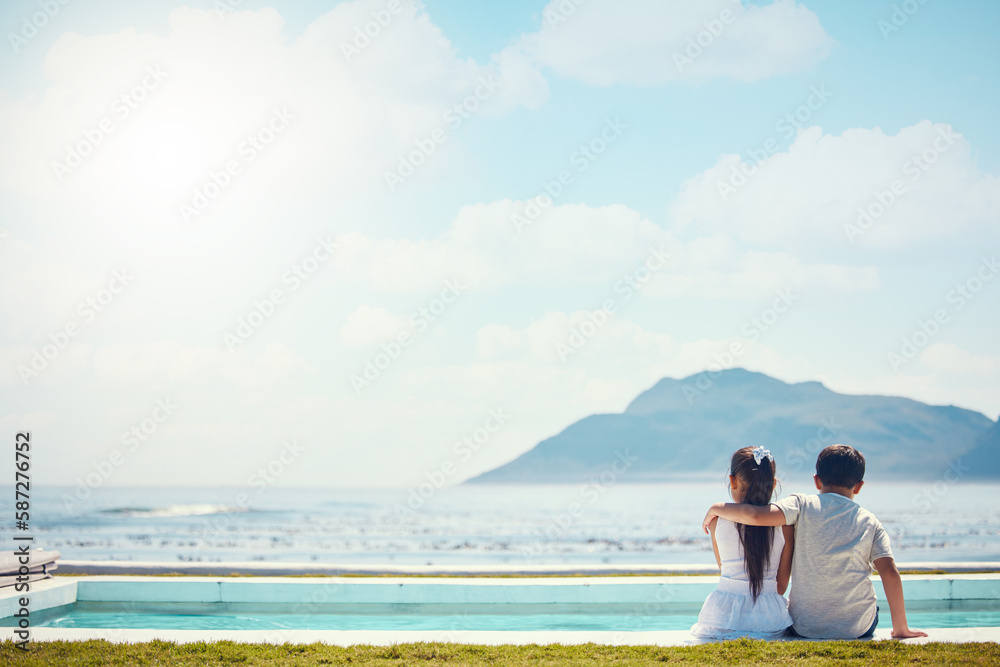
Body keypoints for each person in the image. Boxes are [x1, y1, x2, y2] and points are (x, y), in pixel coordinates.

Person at [702, 444, 928, 640]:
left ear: (816, 480)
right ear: (859, 486)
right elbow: (889, 572)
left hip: (803, 627)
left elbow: (756, 517)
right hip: (856, 628)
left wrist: (715, 508)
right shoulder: (870, 521)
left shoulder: (800, 505)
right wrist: (901, 628)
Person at [691, 445, 794, 639]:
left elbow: (725, 570)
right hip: (770, 621)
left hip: (722, 619)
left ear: (732, 481)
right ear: (773, 484)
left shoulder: (716, 521)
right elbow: (780, 587)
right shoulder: (785, 525)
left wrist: (716, 507)